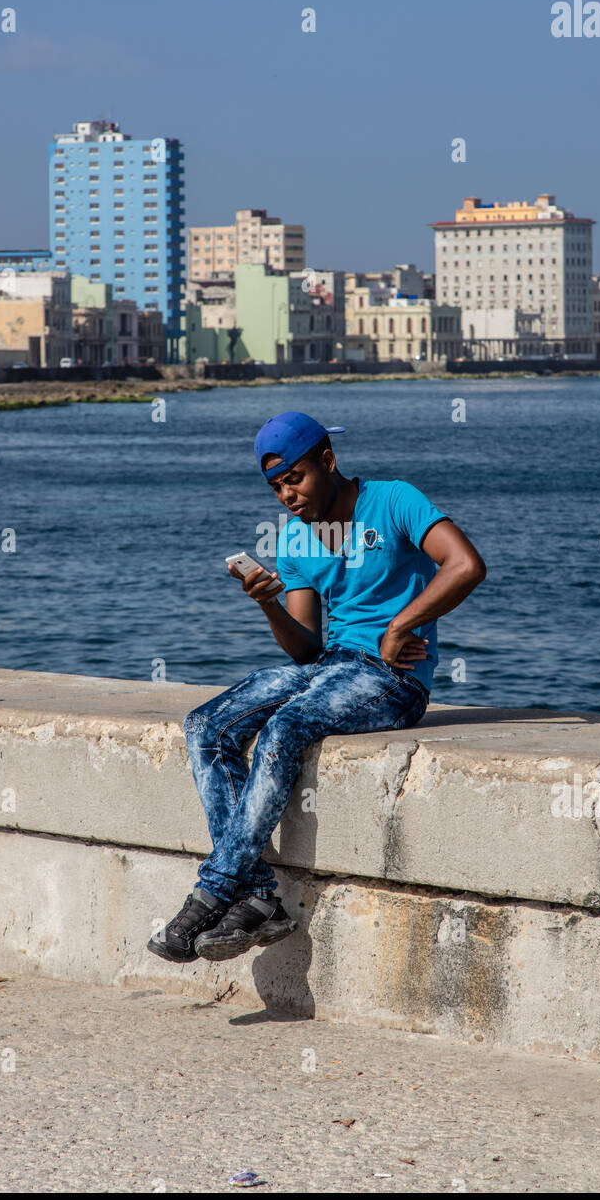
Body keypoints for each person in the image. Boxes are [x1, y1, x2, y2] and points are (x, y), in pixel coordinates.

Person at [147, 411, 486, 964]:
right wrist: (267, 604)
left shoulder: (395, 500)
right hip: (328, 666)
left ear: (327, 461)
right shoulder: (296, 539)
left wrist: (401, 627)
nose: (288, 495)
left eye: (296, 478)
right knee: (206, 726)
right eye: (277, 486)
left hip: (393, 680)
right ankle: (258, 897)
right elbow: (305, 648)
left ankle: (212, 891)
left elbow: (466, 564)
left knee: (285, 726)